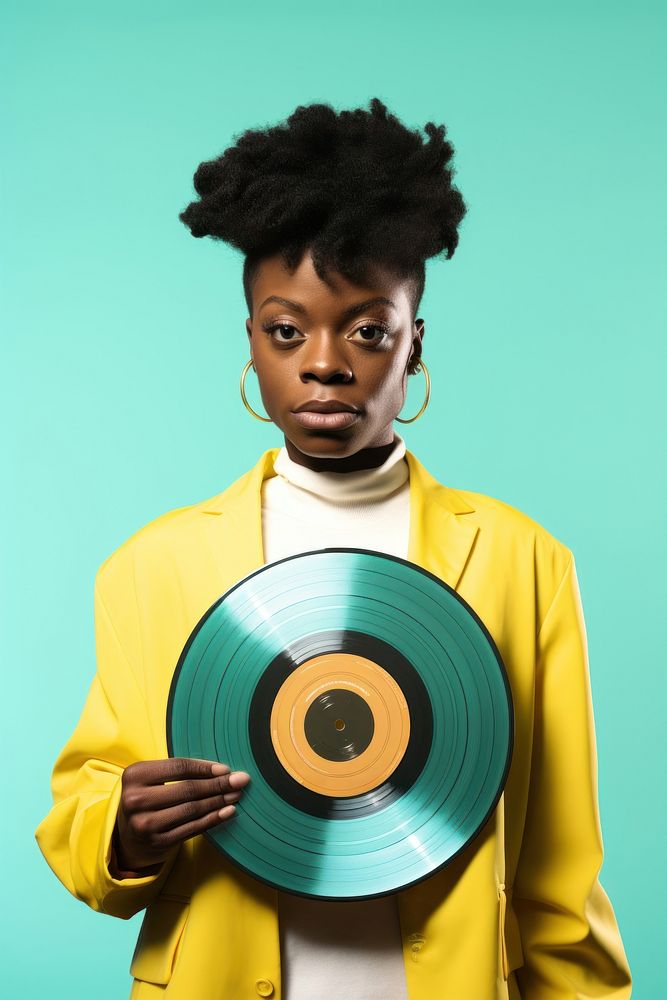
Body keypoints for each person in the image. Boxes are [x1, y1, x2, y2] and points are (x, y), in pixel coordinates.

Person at [35, 97, 632, 1000]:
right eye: (287, 330)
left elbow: (558, 862)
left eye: (366, 331)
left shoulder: (522, 561)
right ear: (251, 342)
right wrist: (121, 828)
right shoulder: (149, 568)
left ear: (413, 345)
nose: (323, 362)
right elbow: (83, 818)